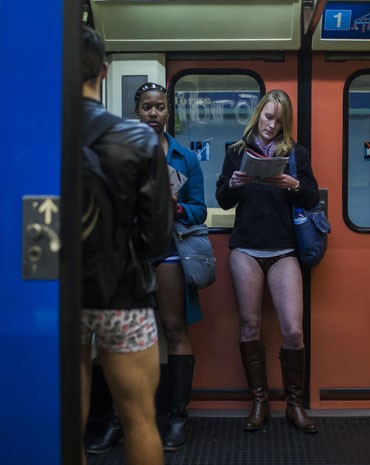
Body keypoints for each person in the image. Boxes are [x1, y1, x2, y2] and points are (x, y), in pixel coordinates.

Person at [87, 82, 207, 453]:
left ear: (168, 111)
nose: (153, 113)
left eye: (160, 107)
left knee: (173, 327)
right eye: (146, 107)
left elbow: (200, 208)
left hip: (169, 247)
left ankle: (176, 418)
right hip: (127, 253)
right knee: (116, 335)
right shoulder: (118, 148)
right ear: (136, 111)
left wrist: (177, 208)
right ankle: (116, 421)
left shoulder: (185, 157)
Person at [80, 25, 172, 465]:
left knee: (65, 422)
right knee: (139, 418)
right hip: (124, 295)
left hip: (55, 296)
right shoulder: (137, 141)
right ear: (104, 70)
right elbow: (157, 236)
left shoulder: (31, 137)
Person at [215, 89, 320, 433]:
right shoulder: (236, 151)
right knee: (250, 326)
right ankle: (259, 401)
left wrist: (292, 184)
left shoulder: (295, 154)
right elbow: (224, 200)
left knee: (293, 329)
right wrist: (232, 183)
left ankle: (294, 405)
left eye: (278, 120)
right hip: (246, 248)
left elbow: (311, 195)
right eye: (267, 117)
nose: (271, 125)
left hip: (283, 250)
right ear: (258, 114)